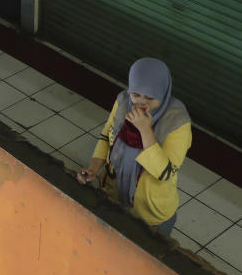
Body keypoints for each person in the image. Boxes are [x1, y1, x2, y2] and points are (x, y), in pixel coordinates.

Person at [75, 57, 191, 235]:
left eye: (150, 97)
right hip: (113, 197)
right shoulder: (123, 101)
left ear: (163, 93)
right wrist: (94, 169)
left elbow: (164, 172)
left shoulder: (177, 123)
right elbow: (106, 136)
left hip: (151, 215)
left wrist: (145, 130)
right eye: (136, 94)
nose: (141, 103)